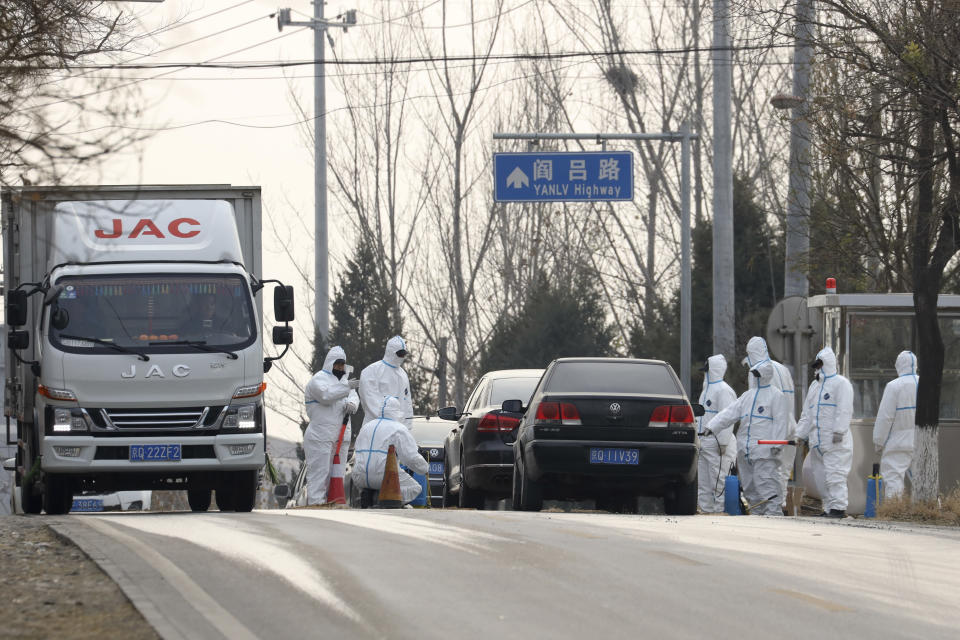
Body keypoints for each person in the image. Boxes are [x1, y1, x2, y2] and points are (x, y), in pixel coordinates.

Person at [703, 361, 789, 516]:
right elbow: (729, 413)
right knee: (749, 487)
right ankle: (757, 514)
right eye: (754, 373)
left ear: (766, 375)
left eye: (758, 374)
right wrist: (712, 426)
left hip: (765, 450)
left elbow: (781, 422)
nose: (755, 377)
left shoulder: (776, 396)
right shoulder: (747, 396)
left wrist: (777, 444)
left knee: (767, 483)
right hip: (746, 450)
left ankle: (773, 515)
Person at [795, 347, 855, 517]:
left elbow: (845, 409)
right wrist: (799, 434)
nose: (817, 369)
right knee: (821, 478)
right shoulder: (815, 387)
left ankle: (839, 507)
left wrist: (839, 430)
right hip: (817, 442)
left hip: (835, 441)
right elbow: (807, 414)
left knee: (835, 475)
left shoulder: (841, 384)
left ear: (827, 364)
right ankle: (828, 507)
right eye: (816, 366)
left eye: (820, 365)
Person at [745, 336, 798, 511]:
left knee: (768, 473)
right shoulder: (782, 369)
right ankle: (780, 506)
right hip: (790, 426)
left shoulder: (757, 372)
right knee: (782, 472)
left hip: (773, 430)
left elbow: (759, 404)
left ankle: (770, 510)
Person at [303, 346, 360, 505]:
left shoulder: (343, 381)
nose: (341, 368)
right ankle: (316, 504)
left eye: (343, 364)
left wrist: (352, 404)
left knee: (337, 475)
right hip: (320, 437)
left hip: (341, 437)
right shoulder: (318, 380)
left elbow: (354, 397)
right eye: (338, 364)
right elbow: (326, 395)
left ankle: (334, 505)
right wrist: (347, 387)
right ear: (330, 363)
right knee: (320, 474)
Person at [352, 396, 429, 505]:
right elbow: (410, 457)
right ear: (397, 411)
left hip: (360, 478)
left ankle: (369, 494)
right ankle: (382, 499)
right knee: (415, 488)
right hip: (383, 477)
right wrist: (424, 468)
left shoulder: (366, 427)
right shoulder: (399, 428)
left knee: (370, 478)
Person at [873, 351, 919, 499]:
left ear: (898, 365)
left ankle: (895, 512)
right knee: (923, 478)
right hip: (922, 440)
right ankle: (930, 510)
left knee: (893, 476)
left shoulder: (894, 386)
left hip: (898, 441)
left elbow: (885, 417)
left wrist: (879, 441)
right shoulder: (925, 382)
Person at [696, 355, 738, 513]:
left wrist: (723, 441)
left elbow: (729, 417)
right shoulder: (706, 390)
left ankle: (720, 511)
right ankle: (706, 510)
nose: (705, 374)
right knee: (704, 481)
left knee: (719, 480)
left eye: (707, 371)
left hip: (716, 442)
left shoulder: (724, 391)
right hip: (704, 441)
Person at [359, 335, 414, 428]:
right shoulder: (372, 371)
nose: (402, 357)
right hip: (375, 426)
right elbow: (370, 400)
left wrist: (407, 425)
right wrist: (391, 419)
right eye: (399, 354)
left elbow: (407, 401)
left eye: (404, 354)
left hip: (398, 428)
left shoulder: (403, 374)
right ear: (390, 352)